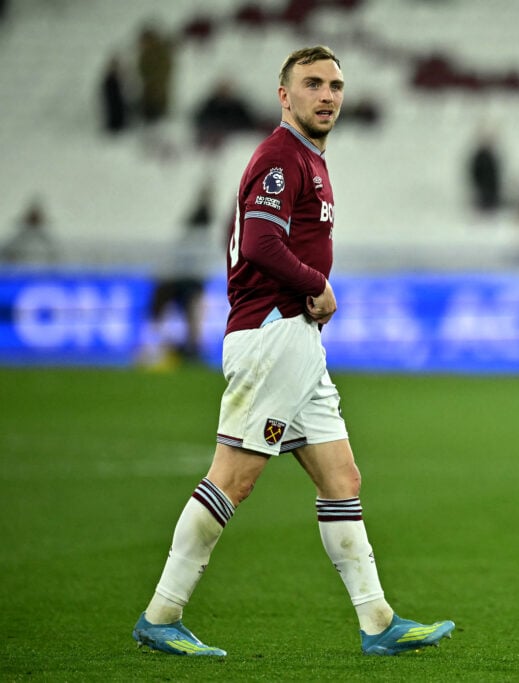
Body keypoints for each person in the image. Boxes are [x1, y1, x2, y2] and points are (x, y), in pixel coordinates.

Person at [131, 45, 455, 658]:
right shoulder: (281, 156)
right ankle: (161, 614)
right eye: (312, 84)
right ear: (285, 95)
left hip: (297, 342)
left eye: (335, 84)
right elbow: (258, 242)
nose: (327, 94)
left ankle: (377, 620)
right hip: (273, 334)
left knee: (342, 479)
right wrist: (317, 284)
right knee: (233, 478)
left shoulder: (311, 159)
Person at [141, 184, 220, 367]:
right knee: (191, 313)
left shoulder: (194, 232)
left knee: (191, 313)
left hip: (186, 278)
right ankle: (186, 348)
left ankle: (187, 348)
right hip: (185, 277)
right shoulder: (198, 232)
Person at [0, 198, 58, 265]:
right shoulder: (19, 237)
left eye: (36, 218)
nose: (34, 220)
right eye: (32, 218)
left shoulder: (47, 239)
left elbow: (56, 253)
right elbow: (6, 251)